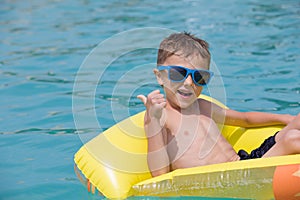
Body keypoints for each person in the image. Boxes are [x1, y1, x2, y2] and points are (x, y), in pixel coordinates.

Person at [137, 32, 300, 177]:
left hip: (245, 163)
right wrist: (154, 119)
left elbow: (245, 119)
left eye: (199, 77)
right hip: (229, 179)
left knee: (296, 124)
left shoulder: (202, 106)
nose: (188, 83)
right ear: (159, 76)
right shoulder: (160, 117)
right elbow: (159, 173)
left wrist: (286, 118)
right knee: (292, 140)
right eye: (178, 73)